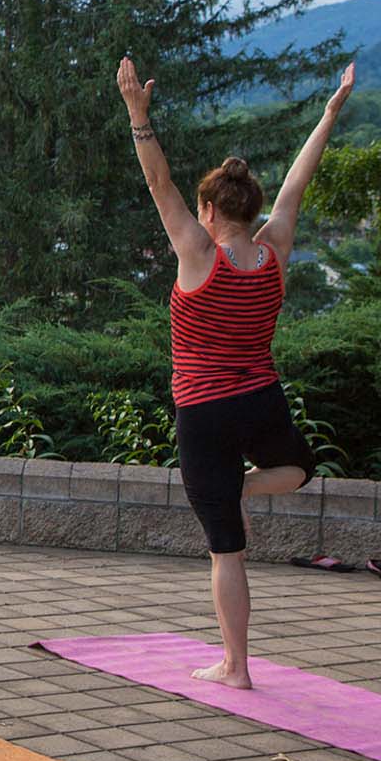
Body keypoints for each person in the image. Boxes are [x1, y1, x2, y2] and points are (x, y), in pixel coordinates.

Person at [118, 55, 356, 689]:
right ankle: (242, 492)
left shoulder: (197, 255)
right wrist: (328, 115)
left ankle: (236, 667)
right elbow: (297, 186)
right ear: (249, 211)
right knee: (298, 470)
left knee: (228, 548)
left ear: (210, 211)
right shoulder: (272, 253)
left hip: (202, 414)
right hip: (260, 398)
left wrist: (138, 115)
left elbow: (157, 182)